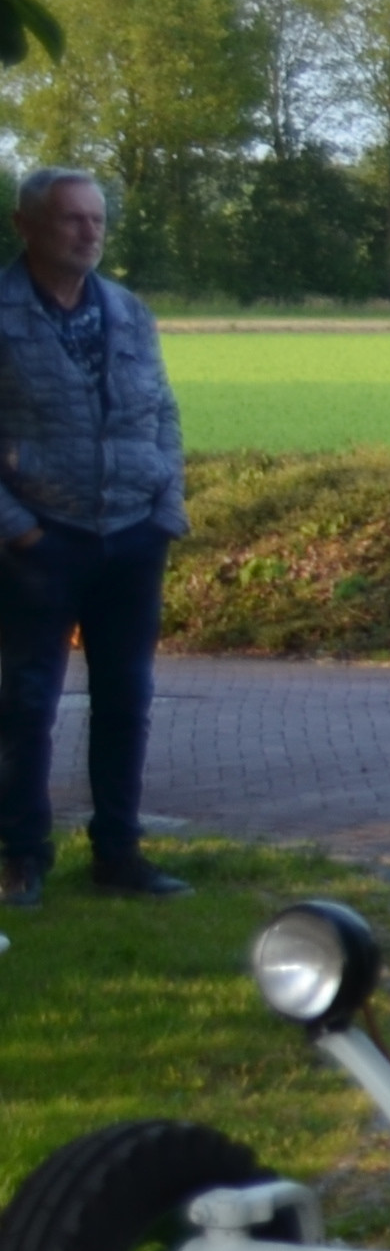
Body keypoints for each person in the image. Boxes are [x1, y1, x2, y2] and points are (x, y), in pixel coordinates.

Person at [0, 168, 191, 904]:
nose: (89, 233)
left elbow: (163, 411)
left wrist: (166, 508)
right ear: (25, 226)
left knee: (125, 700)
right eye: (71, 219)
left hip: (133, 536)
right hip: (40, 542)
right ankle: (22, 857)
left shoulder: (128, 310)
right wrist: (18, 532)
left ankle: (119, 854)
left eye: (98, 220)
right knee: (27, 703)